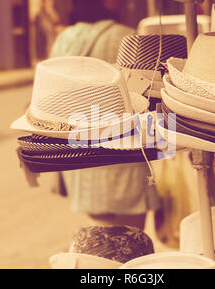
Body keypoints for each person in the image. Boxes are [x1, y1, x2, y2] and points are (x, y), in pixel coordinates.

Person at [47, 0, 160, 229]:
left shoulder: (63, 40)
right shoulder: (128, 39)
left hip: (81, 164)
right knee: (132, 250)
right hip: (125, 165)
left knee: (99, 248)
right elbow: (148, 99)